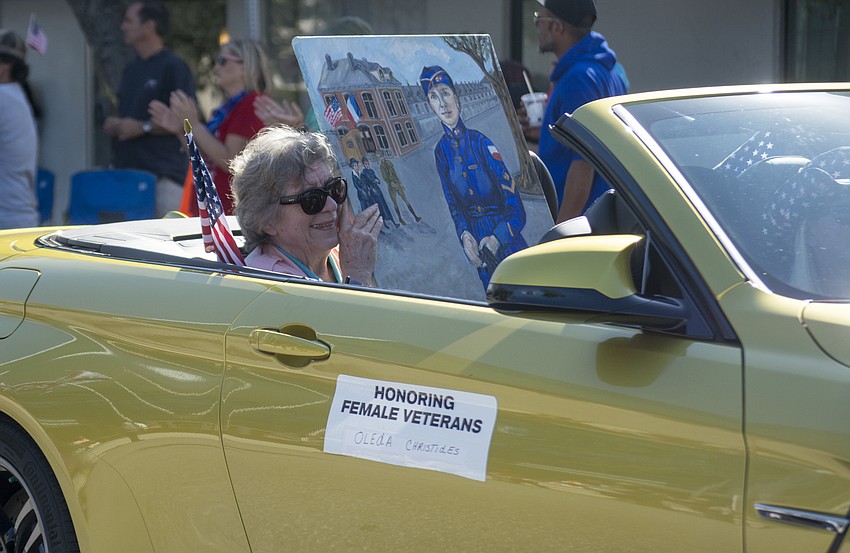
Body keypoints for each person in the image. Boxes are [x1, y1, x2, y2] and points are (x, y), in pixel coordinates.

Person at [419, 65, 528, 290]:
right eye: (433, 97)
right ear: (429, 105)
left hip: (508, 242)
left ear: (457, 98)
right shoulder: (441, 153)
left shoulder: (482, 143)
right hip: (479, 247)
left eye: (445, 93)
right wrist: (465, 235)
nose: (442, 104)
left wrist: (497, 239)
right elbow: (454, 206)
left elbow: (516, 208)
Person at [230, 126, 382, 286]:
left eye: (334, 189)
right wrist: (357, 275)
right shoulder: (265, 282)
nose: (331, 205)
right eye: (312, 199)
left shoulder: (346, 253)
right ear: (267, 220)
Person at [526, 0, 626, 223]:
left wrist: (561, 234)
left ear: (557, 27)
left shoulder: (578, 79)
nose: (536, 26)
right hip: (598, 219)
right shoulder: (602, 70)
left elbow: (583, 162)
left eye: (539, 19)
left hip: (580, 226)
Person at [149, 38, 270, 215]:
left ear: (245, 66)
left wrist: (195, 124)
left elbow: (230, 160)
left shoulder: (252, 103)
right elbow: (203, 159)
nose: (216, 68)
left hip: (227, 209)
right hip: (211, 204)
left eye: (222, 61)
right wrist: (179, 129)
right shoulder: (226, 108)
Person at [103, 0, 196, 217]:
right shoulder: (130, 69)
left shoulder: (174, 66)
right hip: (127, 178)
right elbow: (131, 118)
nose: (122, 27)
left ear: (149, 26)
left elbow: (187, 122)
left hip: (163, 180)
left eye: (128, 21)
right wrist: (117, 124)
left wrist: (143, 127)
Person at [0, 29, 39, 230]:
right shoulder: (14, 95)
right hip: (16, 219)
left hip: (6, 222)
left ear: (4, 67)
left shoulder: (3, 98)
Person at [379, 154, 421, 225]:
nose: (381, 158)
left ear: (383, 156)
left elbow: (395, 173)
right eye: (379, 157)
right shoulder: (381, 167)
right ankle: (400, 219)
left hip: (397, 183)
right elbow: (385, 178)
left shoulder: (389, 162)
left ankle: (415, 217)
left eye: (381, 156)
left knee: (406, 200)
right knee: (395, 203)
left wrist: (399, 182)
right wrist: (391, 183)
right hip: (391, 186)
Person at [360, 157, 397, 229]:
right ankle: (383, 223)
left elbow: (377, 178)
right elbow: (370, 180)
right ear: (364, 165)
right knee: (379, 206)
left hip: (377, 190)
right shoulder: (364, 172)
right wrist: (374, 181)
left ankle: (392, 221)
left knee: (384, 204)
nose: (367, 165)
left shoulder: (371, 170)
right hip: (372, 192)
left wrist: (377, 180)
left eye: (368, 163)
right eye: (366, 164)